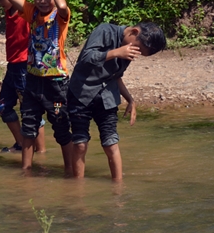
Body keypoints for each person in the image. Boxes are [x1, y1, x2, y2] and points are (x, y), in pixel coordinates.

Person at [68, 22, 166, 181]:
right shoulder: (105, 30)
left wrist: (130, 99)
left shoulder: (128, 48)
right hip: (81, 93)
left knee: (110, 143)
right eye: (138, 49)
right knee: (80, 143)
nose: (136, 53)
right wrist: (115, 53)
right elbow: (86, 57)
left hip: (107, 97)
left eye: (141, 53)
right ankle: (77, 189)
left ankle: (118, 190)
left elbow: (115, 76)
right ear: (134, 32)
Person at [3, 0, 73, 175]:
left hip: (57, 85)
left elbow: (61, 6)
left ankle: (70, 172)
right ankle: (26, 172)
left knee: (61, 124)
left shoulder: (60, 16)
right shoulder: (30, 12)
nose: (43, 1)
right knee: (29, 125)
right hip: (33, 82)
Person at [0, 0, 45, 154]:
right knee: (3, 107)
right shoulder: (9, 10)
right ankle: (22, 145)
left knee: (30, 110)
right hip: (13, 66)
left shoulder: (24, 10)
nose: (0, 3)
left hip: (24, 66)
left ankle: (40, 151)